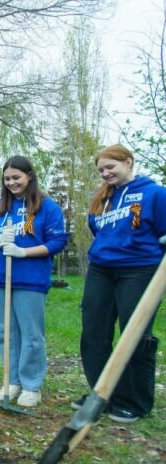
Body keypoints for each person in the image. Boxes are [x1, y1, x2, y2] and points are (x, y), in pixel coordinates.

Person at [75, 144, 166, 423]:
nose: (105, 173)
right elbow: (97, 231)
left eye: (110, 167)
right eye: (101, 170)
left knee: (135, 333)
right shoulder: (102, 199)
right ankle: (100, 393)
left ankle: (133, 401)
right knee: (94, 331)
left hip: (139, 270)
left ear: (128, 162)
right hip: (102, 270)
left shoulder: (155, 194)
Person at [0, 155, 68, 407]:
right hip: (1, 277)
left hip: (30, 279)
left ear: (29, 176)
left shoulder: (47, 207)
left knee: (31, 333)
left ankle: (31, 385)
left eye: (16, 177)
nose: (11, 182)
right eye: (7, 178)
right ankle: (12, 380)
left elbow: (57, 242)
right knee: (5, 332)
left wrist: (23, 252)